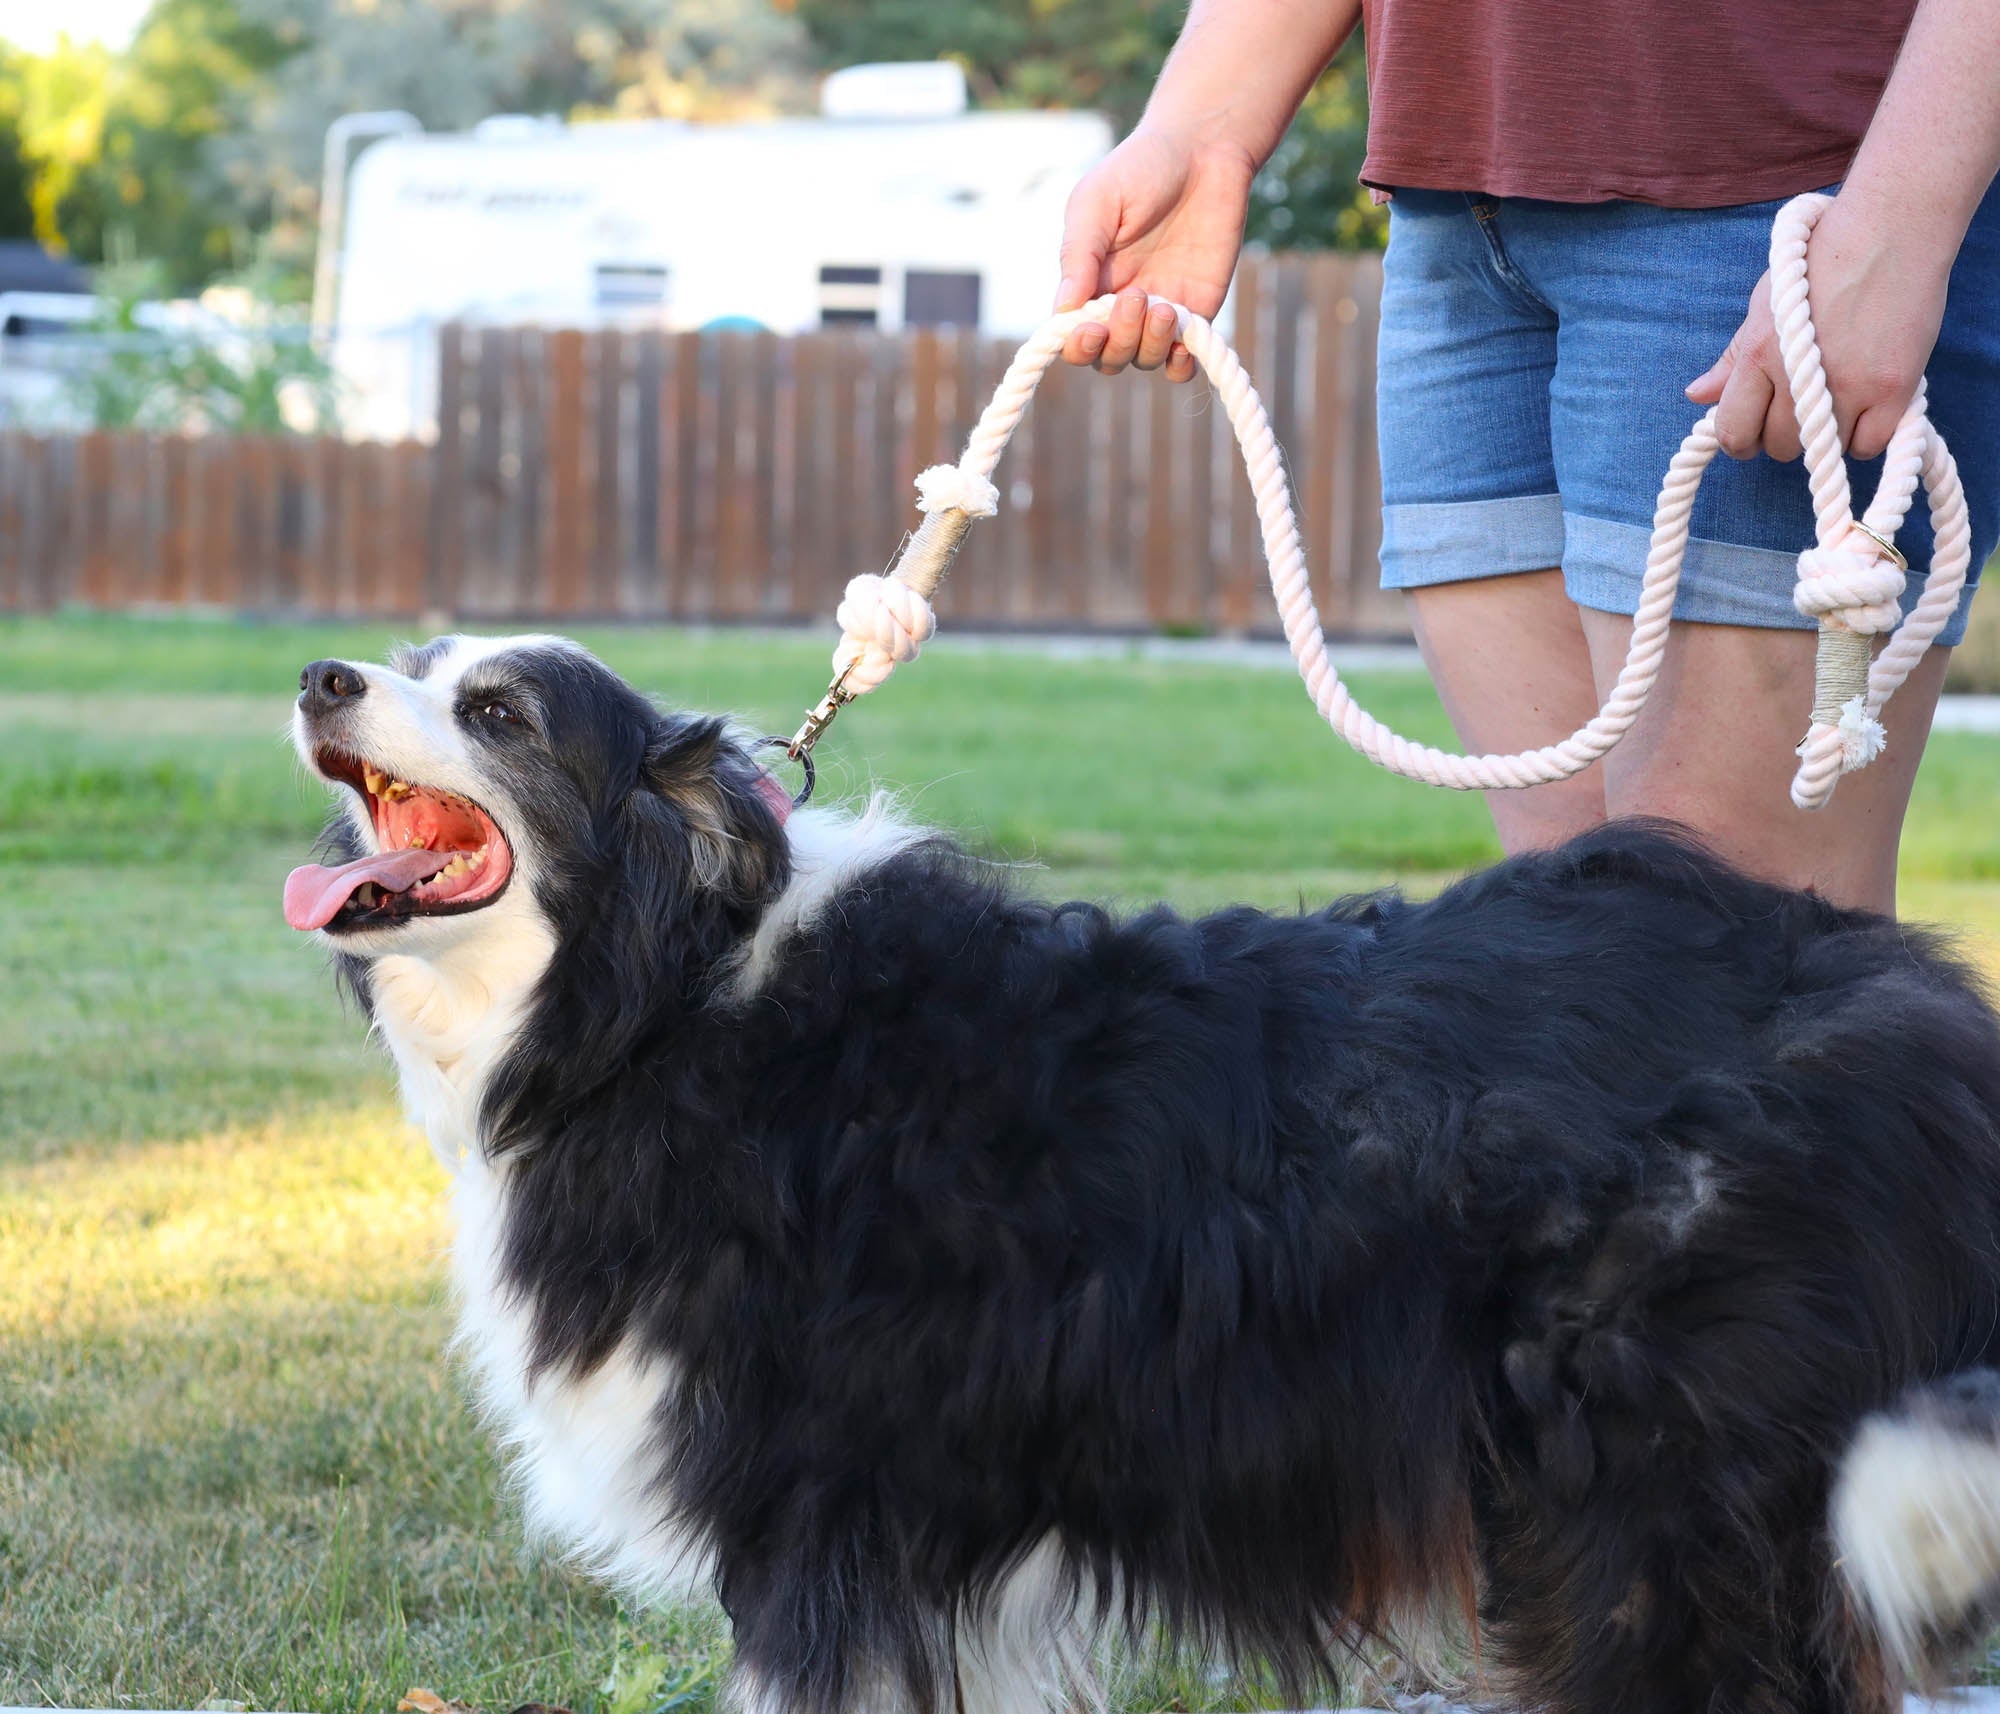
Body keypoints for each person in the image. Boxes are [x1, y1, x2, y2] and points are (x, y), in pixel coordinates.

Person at [1053, 0, 2000, 914]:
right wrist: (1202, 128)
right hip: (1453, 211)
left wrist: (1895, 228)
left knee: (1744, 955)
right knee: (1572, 958)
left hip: (1791, 200)